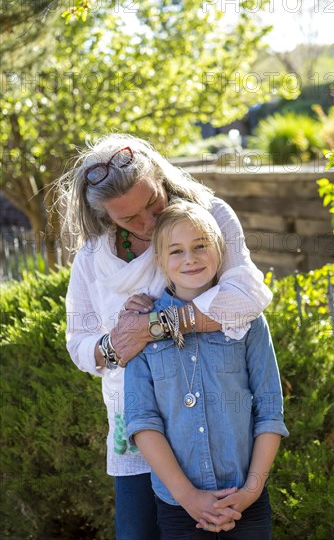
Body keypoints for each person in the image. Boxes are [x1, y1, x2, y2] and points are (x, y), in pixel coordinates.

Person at [59, 134, 273, 540]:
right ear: (105, 216)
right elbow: (79, 344)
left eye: (151, 204)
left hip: (212, 424)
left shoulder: (207, 218)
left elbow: (246, 298)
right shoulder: (92, 258)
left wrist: (154, 327)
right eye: (128, 219)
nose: (147, 223)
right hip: (139, 428)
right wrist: (115, 344)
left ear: (160, 176)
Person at [124, 200, 289, 539]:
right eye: (176, 251)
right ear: (159, 261)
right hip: (178, 505)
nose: (190, 258)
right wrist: (188, 496)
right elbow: (142, 421)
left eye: (200, 246)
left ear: (219, 248)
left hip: (245, 500)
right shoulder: (142, 329)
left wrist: (251, 491)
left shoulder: (248, 321)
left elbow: (270, 410)